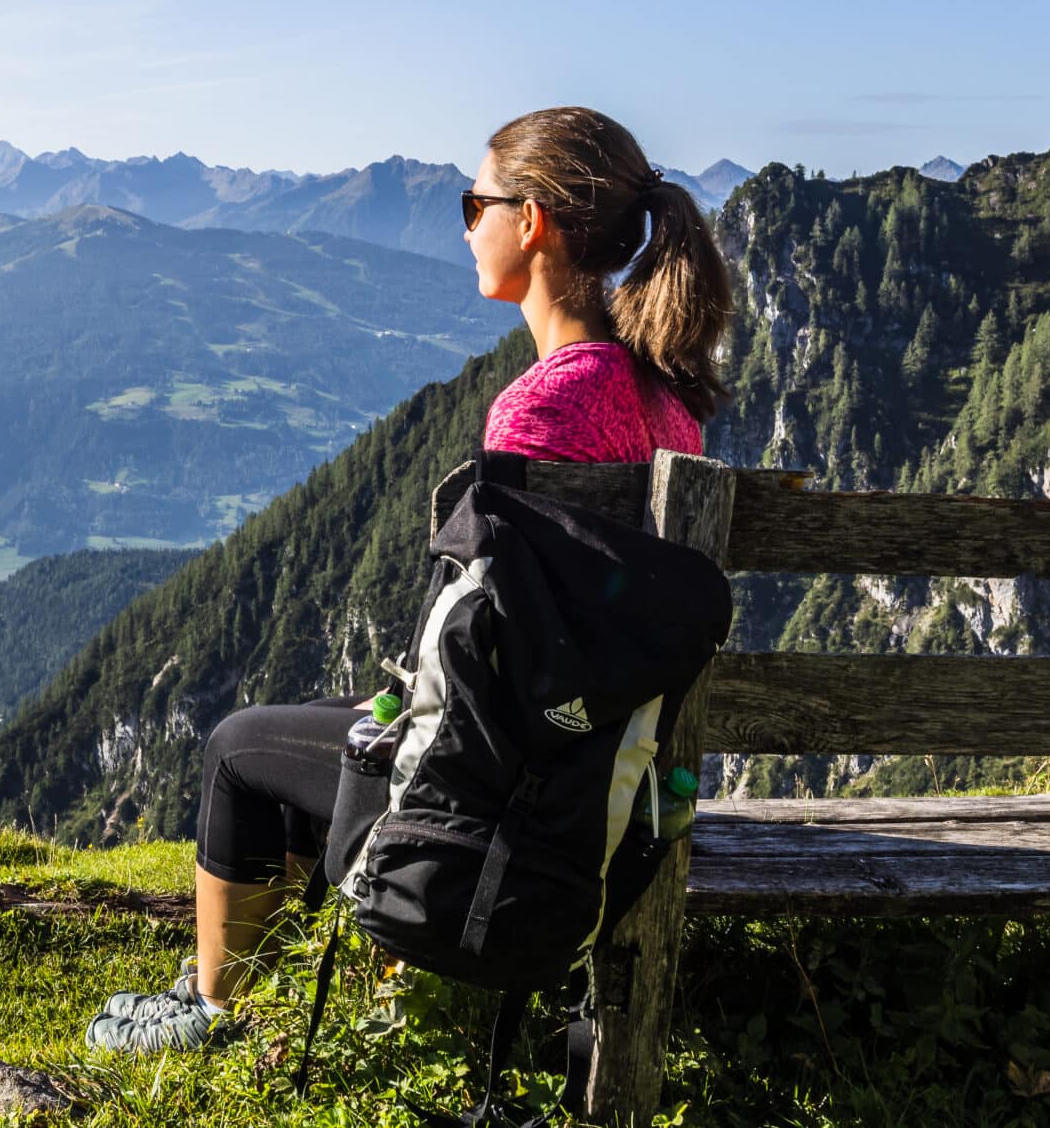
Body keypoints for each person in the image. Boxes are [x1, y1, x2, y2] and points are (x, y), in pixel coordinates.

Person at [85, 105, 735, 1052]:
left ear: (536, 220)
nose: (468, 224)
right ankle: (263, 968)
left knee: (235, 747)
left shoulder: (544, 406)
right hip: (617, 770)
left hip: (514, 784)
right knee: (327, 719)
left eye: (478, 203)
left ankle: (216, 1015)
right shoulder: (668, 398)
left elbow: (491, 667)